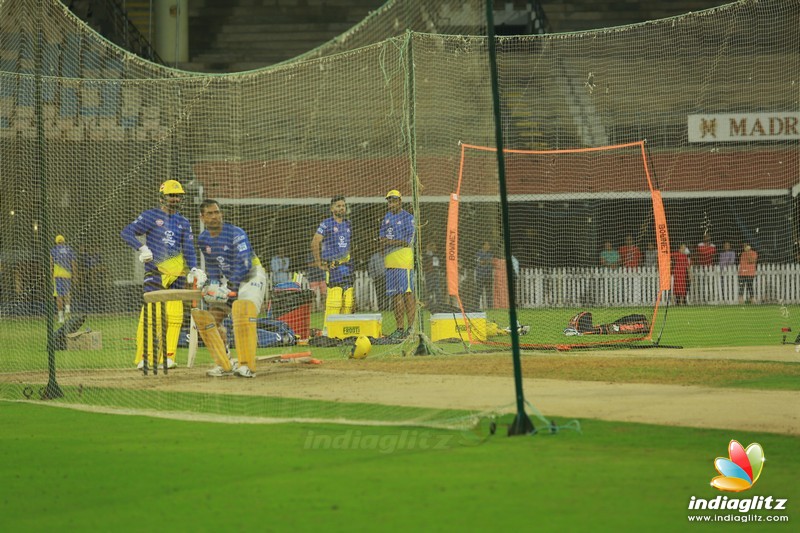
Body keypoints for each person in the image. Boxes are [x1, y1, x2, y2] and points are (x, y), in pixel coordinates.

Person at [121, 179, 200, 370]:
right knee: (151, 315)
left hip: (178, 274)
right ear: (162, 197)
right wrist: (142, 248)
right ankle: (144, 358)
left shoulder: (183, 221)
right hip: (155, 272)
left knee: (175, 316)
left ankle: (168, 357)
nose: (174, 199)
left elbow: (188, 248)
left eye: (178, 196)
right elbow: (126, 233)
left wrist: (195, 269)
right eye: (171, 196)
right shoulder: (150, 216)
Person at [194, 199, 267, 378]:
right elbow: (212, 266)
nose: (215, 216)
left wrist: (231, 288)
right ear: (202, 218)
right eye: (210, 213)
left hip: (251, 276)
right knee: (211, 318)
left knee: (242, 312)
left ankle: (246, 365)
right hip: (231, 281)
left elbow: (244, 263)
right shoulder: (203, 239)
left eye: (217, 212)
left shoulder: (236, 233)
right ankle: (225, 363)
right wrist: (214, 285)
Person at [311, 196, 353, 334]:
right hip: (333, 267)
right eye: (338, 206)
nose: (342, 208)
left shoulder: (348, 224)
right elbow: (315, 242)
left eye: (343, 206)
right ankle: (328, 330)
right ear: (332, 209)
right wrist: (319, 263)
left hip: (347, 267)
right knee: (333, 300)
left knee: (347, 300)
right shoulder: (326, 224)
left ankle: (345, 329)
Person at [380, 189, 415, 339]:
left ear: (400, 202)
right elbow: (381, 239)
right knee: (395, 296)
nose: (391, 204)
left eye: (394, 201)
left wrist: (390, 242)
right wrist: (387, 242)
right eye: (389, 201)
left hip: (403, 260)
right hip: (390, 261)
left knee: (407, 294)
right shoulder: (386, 218)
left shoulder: (408, 217)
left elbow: (408, 241)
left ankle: (411, 328)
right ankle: (400, 328)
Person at [50, 235, 77, 323]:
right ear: (64, 241)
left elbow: (51, 264)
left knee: (59, 296)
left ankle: (60, 317)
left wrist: (51, 275)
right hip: (67, 275)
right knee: (67, 293)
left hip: (57, 275)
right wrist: (75, 275)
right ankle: (67, 311)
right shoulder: (69, 250)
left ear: (56, 241)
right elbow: (73, 263)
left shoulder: (53, 250)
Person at [423, 241, 444, 311]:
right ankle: (429, 304)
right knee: (429, 289)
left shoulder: (436, 255)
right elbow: (425, 263)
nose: (435, 248)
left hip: (436, 273)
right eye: (433, 246)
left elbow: (438, 264)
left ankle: (439, 304)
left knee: (437, 289)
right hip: (429, 273)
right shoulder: (426, 255)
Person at [475, 241, 494, 310]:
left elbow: (490, 262)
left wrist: (485, 261)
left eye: (489, 245)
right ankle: (476, 307)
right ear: (483, 246)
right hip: (480, 276)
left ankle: (490, 308)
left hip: (488, 275)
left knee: (489, 293)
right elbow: (480, 262)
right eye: (486, 245)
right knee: (478, 292)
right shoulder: (478, 253)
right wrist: (486, 262)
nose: (488, 246)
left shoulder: (490, 254)